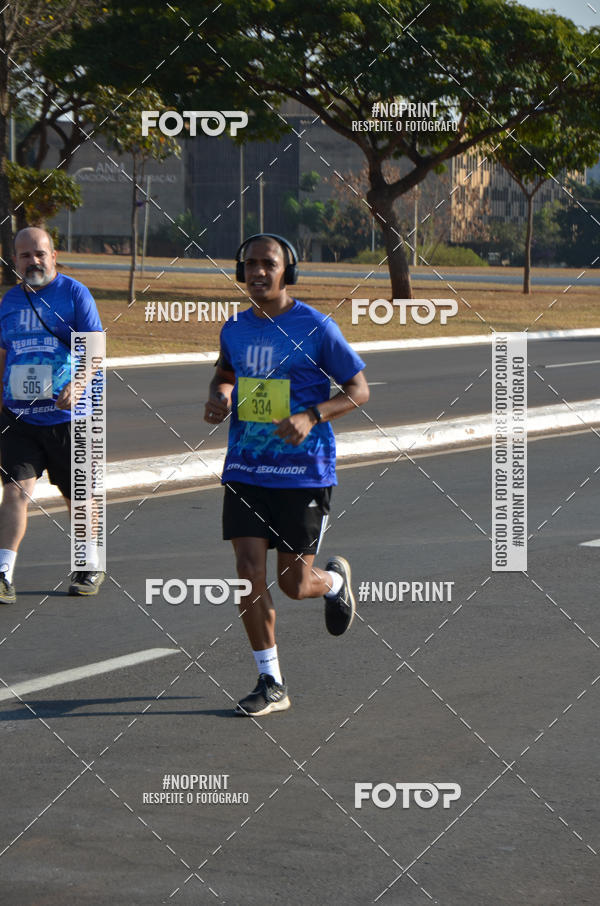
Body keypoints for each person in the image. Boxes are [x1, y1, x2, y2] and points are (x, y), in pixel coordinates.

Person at [204, 233, 369, 716]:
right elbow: (224, 374)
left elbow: (359, 389)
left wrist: (311, 416)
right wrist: (220, 395)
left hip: (302, 473)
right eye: (250, 264)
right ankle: (270, 680)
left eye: (268, 264)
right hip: (246, 467)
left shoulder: (316, 327)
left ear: (286, 270)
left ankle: (334, 583)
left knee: (295, 584)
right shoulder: (234, 328)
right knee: (248, 573)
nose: (258, 272)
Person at [0, 227, 105, 604]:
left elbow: (94, 346)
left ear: (53, 255)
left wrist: (78, 384)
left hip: (69, 418)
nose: (34, 261)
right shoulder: (10, 301)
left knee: (77, 496)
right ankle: (3, 572)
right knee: (15, 491)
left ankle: (88, 563)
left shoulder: (74, 293)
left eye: (40, 254)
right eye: (25, 256)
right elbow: (3, 354)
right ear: (15, 260)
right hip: (19, 417)